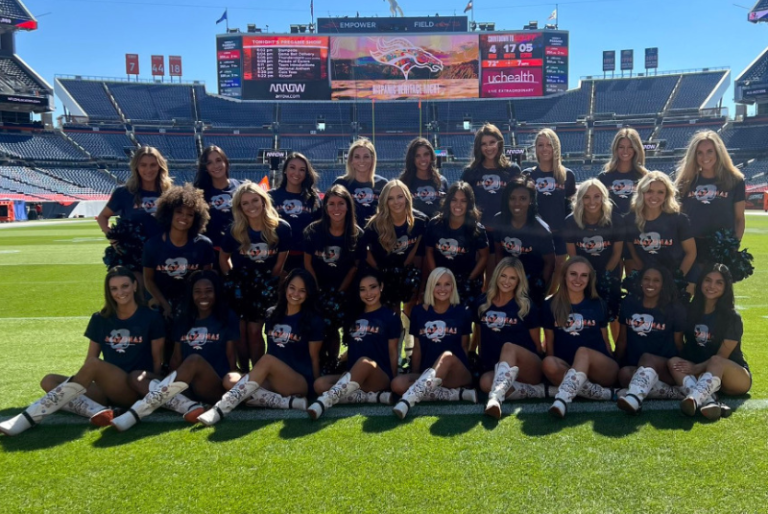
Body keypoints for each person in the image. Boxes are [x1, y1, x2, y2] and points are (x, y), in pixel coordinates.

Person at [0, 267, 165, 436]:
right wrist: (82, 385)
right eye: (114, 288)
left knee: (93, 365)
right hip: (105, 388)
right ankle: (101, 411)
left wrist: (149, 394)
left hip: (131, 387)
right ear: (108, 291)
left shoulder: (151, 317)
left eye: (125, 286)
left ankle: (28, 418)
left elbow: (156, 361)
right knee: (49, 381)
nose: (120, 292)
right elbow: (90, 358)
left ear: (135, 286)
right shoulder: (100, 318)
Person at [110, 271, 240, 430]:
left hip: (212, 385)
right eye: (197, 292)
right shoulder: (184, 318)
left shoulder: (227, 317)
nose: (203, 296)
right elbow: (176, 358)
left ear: (216, 292)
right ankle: (190, 406)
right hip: (186, 388)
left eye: (208, 291)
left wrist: (230, 385)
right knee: (136, 376)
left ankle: (137, 411)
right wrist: (168, 379)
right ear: (191, 294)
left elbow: (231, 355)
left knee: (194, 360)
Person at [197, 269, 323, 425]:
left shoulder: (313, 320)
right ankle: (286, 403)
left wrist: (315, 389)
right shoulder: (272, 313)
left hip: (298, 381)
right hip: (273, 379)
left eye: (302, 290)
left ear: (308, 293)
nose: (295, 293)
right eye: (292, 287)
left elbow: (314, 357)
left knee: (267, 360)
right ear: (285, 287)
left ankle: (222, 407)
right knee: (229, 380)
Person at [307, 270, 400, 419]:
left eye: (372, 287)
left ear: (381, 287)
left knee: (365, 362)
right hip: (354, 376)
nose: (368, 293)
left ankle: (326, 401)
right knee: (319, 384)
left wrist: (393, 381)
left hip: (379, 376)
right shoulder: (353, 315)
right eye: (362, 289)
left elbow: (393, 351)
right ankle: (372, 397)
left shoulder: (391, 317)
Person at [221, 181, 291, 371]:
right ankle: (244, 371)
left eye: (255, 201)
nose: (251, 206)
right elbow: (224, 259)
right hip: (240, 286)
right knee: (240, 332)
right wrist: (233, 280)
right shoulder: (234, 230)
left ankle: (258, 373)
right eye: (245, 203)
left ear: (263, 201)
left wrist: (269, 284)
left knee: (254, 330)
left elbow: (279, 264)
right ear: (239, 207)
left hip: (266, 285)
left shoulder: (281, 228)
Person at [668, 263, 751, 420]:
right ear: (700, 283)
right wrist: (690, 366)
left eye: (719, 282)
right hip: (704, 374)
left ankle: (695, 398)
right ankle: (709, 401)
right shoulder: (691, 310)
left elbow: (722, 356)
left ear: (726, 287)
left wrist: (695, 368)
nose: (712, 286)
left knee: (716, 361)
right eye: (708, 280)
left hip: (733, 378)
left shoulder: (732, 317)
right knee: (674, 362)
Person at [391, 268, 477, 419]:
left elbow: (464, 347)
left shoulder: (463, 311)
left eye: (447, 284)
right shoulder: (419, 311)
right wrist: (415, 373)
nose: (442, 289)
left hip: (455, 373)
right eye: (437, 284)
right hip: (428, 374)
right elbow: (417, 348)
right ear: (431, 286)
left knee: (447, 356)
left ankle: (409, 399)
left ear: (453, 287)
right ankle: (456, 395)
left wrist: (466, 375)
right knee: (397, 384)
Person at [542, 257, 617, 418]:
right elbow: (549, 343)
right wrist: (550, 372)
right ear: (564, 276)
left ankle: (563, 398)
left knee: (583, 352)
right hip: (567, 368)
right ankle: (596, 393)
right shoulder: (550, 304)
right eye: (573, 274)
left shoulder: (598, 304)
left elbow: (606, 340)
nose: (578, 279)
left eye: (584, 275)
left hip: (600, 369)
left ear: (590, 279)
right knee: (548, 363)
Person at [304, 185, 365, 372]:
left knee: (343, 328)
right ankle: (322, 364)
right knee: (322, 327)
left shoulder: (357, 234)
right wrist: (318, 291)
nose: (336, 209)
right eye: (331, 204)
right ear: (325, 206)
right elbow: (308, 263)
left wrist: (338, 293)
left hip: (345, 290)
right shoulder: (313, 231)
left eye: (341, 204)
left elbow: (355, 267)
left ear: (348, 207)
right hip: (317, 287)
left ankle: (340, 363)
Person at [475, 258, 546, 419]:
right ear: (496, 276)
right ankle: (540, 391)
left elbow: (537, 345)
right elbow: (479, 336)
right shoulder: (482, 303)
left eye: (512, 278)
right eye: (503, 276)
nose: (506, 281)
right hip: (497, 367)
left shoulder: (526, 306)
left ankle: (496, 398)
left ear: (519, 280)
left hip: (527, 367)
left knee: (509, 347)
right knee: (485, 383)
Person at [614, 266, 686, 414]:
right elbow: (622, 340)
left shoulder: (674, 308)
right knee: (624, 374)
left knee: (648, 358)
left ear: (663, 284)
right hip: (637, 366)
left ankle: (635, 398)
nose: (650, 284)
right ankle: (673, 393)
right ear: (640, 281)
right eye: (646, 279)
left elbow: (678, 343)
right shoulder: (629, 303)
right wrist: (616, 363)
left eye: (656, 280)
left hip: (664, 366)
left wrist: (681, 371)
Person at [97, 147, 173, 284]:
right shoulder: (123, 193)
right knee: (137, 296)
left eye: (153, 165)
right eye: (143, 165)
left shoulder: (170, 193)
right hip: (131, 257)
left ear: (160, 166)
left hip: (162, 255)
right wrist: (113, 239)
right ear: (136, 167)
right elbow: (102, 217)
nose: (148, 169)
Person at [142, 184, 214, 323]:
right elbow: (148, 280)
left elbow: (206, 280)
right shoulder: (152, 245)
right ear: (169, 213)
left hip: (191, 307)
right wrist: (165, 305)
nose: (184, 217)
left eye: (190, 214)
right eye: (179, 212)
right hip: (160, 304)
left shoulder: (203, 245)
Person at [563, 179, 624, 339]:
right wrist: (587, 277)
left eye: (597, 196)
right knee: (586, 313)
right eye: (586, 197)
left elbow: (617, 253)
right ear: (580, 198)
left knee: (613, 314)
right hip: (583, 276)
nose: (592, 202)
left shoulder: (615, 220)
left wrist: (603, 276)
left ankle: (617, 351)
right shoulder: (571, 221)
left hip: (609, 273)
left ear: (604, 197)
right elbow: (573, 256)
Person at [676, 130, 746, 264]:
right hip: (692, 249)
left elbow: (739, 219)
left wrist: (733, 247)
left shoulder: (735, 180)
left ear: (718, 152)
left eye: (710, 151)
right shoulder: (685, 182)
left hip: (721, 248)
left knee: (717, 285)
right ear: (694, 156)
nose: (705, 157)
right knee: (691, 285)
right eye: (699, 153)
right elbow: (678, 219)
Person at [524, 128, 576, 291]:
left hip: (558, 234)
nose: (545, 148)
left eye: (549, 144)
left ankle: (550, 305)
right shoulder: (527, 174)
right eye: (541, 145)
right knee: (535, 273)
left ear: (556, 148)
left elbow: (570, 208)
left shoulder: (567, 175)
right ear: (536, 149)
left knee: (557, 273)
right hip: (535, 235)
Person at [625, 171, 697, 287]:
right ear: (641, 193)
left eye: (660, 192)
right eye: (649, 191)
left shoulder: (679, 219)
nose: (654, 196)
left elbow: (691, 252)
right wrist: (644, 277)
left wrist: (677, 279)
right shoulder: (630, 220)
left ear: (666, 195)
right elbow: (632, 251)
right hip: (646, 281)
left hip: (672, 280)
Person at [423, 181, 489, 306]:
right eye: (454, 200)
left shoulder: (477, 229)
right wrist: (436, 278)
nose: (458, 204)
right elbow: (429, 251)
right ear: (448, 201)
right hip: (440, 281)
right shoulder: (435, 224)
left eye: (463, 201)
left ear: (469, 203)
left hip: (465, 281)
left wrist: (470, 279)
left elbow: (484, 256)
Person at [493, 176, 555, 305]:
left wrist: (541, 287)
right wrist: (500, 279)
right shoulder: (499, 221)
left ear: (531, 200)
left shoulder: (541, 229)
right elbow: (498, 253)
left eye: (523, 199)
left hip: (531, 282)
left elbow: (549, 262)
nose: (517, 203)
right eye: (512, 198)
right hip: (507, 282)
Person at [269, 152, 322, 272]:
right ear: (285, 170)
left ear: (306, 173)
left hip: (305, 258)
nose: (296, 173)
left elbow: (319, 229)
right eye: (292, 168)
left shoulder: (313, 198)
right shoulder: (271, 197)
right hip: (276, 257)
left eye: (302, 170)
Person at [460, 123, 521, 226]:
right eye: (484, 144)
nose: (488, 147)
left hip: (506, 231)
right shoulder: (469, 172)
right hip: (478, 231)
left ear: (499, 143)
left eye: (492, 142)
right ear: (479, 147)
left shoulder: (513, 170)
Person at [193, 146, 240, 270]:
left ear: (225, 161)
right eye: (209, 163)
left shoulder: (240, 187)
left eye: (218, 160)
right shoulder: (199, 192)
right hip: (210, 254)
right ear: (205, 168)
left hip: (238, 251)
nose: (215, 165)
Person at [333, 138, 388, 226]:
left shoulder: (383, 184)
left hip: (375, 235)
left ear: (372, 159)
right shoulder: (341, 184)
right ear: (351, 160)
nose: (361, 161)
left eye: (366, 157)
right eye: (357, 157)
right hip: (348, 235)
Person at [597, 128, 649, 215]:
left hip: (637, 226)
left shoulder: (645, 177)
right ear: (615, 149)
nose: (625, 151)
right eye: (621, 147)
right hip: (612, 226)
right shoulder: (603, 178)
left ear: (636, 149)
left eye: (630, 147)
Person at [398, 137, 449, 219]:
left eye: (426, 154)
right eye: (417, 156)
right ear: (412, 159)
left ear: (431, 156)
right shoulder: (404, 183)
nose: (423, 159)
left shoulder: (442, 181)